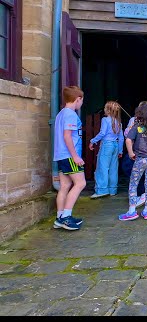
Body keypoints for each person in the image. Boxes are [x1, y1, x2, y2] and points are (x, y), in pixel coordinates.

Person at [119, 103, 147, 221]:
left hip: (140, 159)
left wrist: (130, 153)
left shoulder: (138, 126)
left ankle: (132, 211)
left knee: (134, 183)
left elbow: (128, 140)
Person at [53, 85, 86, 231]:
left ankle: (60, 218)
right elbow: (67, 136)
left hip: (60, 155)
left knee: (65, 186)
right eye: (81, 101)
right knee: (80, 183)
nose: (81, 103)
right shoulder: (70, 115)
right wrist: (75, 156)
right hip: (69, 156)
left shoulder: (60, 114)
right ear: (78, 99)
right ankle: (66, 217)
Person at [89, 101, 124, 198]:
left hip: (106, 145)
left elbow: (102, 133)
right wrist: (120, 150)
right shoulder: (119, 122)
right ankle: (113, 190)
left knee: (102, 168)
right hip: (115, 146)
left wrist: (93, 140)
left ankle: (102, 190)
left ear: (108, 110)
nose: (104, 109)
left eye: (105, 108)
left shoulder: (105, 120)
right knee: (113, 168)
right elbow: (121, 137)